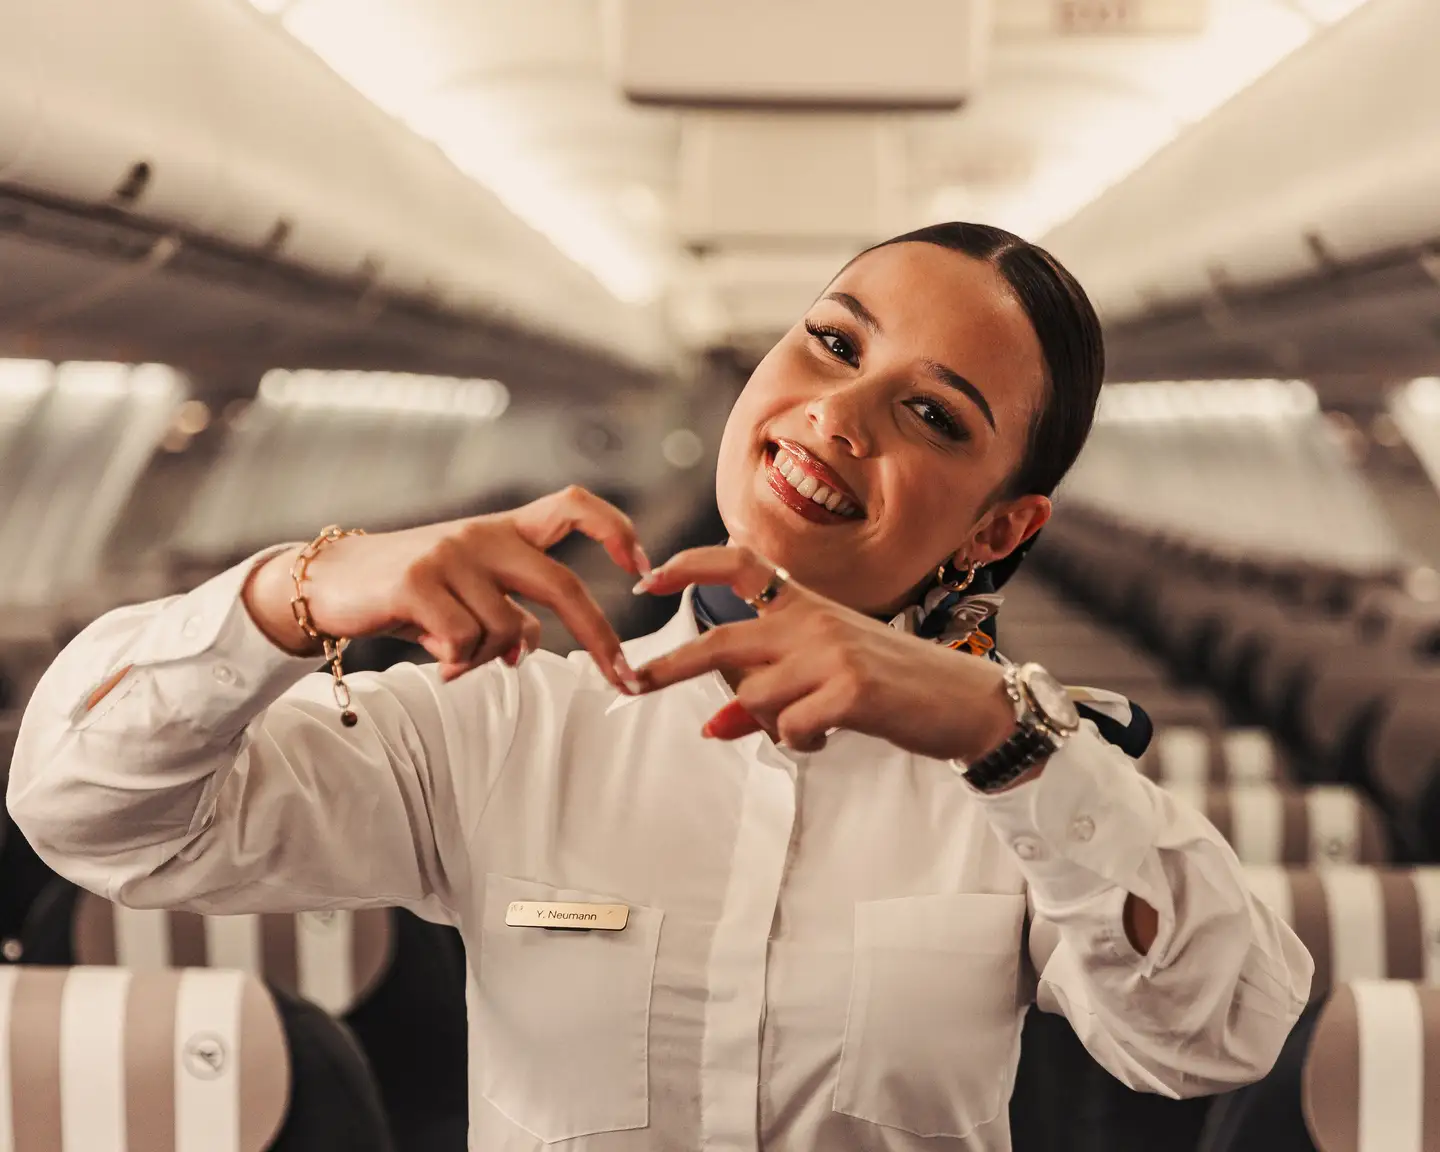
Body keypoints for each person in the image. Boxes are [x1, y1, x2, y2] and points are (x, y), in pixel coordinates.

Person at [8, 223, 1312, 1151]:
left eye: (935, 415)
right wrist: (303, 587)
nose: (839, 414)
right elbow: (89, 811)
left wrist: (1003, 737)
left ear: (999, 529)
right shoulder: (506, 723)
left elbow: (1218, 1035)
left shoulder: (1030, 785)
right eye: (832, 344)